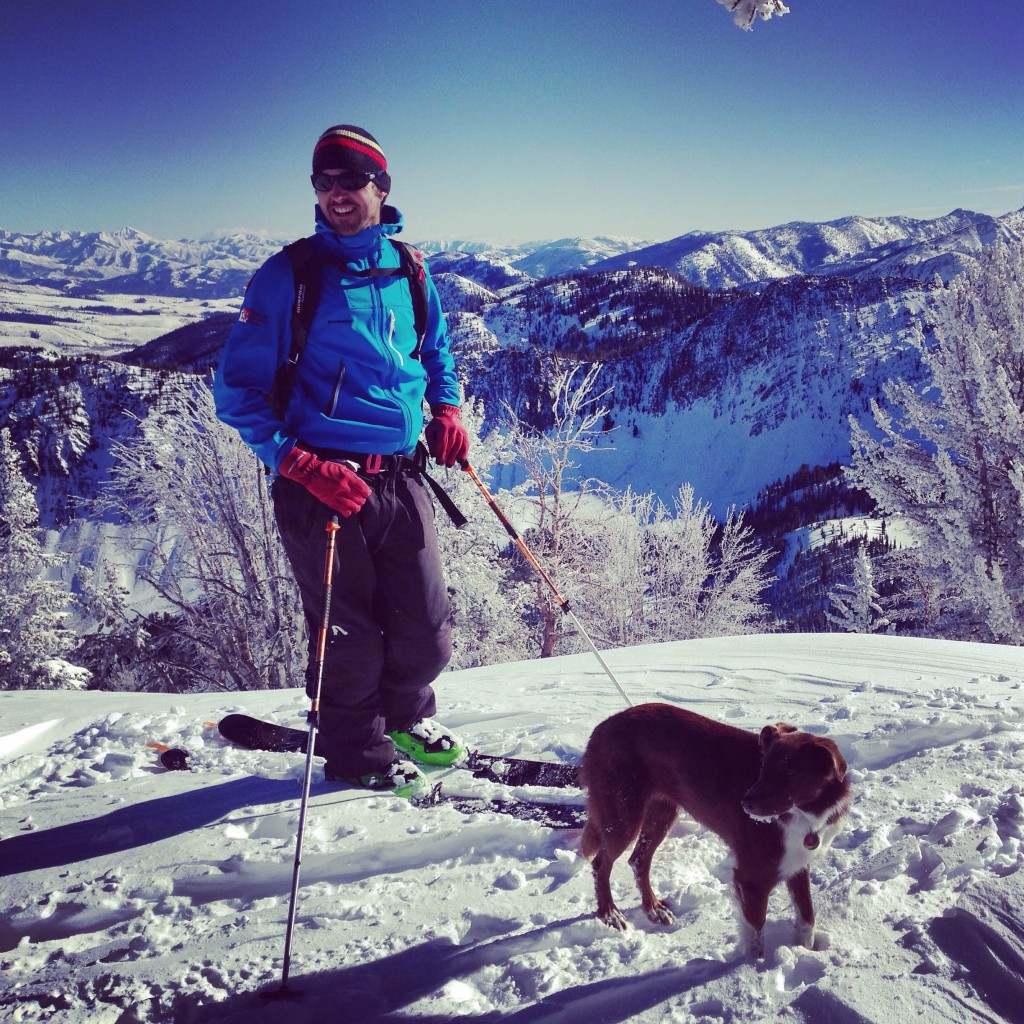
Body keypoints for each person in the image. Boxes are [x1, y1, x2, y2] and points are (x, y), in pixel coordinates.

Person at [214, 124, 470, 799]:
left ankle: (408, 717)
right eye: (322, 182)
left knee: (428, 632)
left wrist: (447, 411)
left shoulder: (410, 270)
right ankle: (356, 749)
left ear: (381, 188)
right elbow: (235, 390)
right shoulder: (289, 274)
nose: (335, 194)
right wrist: (295, 462)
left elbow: (436, 354)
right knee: (348, 636)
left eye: (349, 180)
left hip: (398, 471)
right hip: (320, 482)